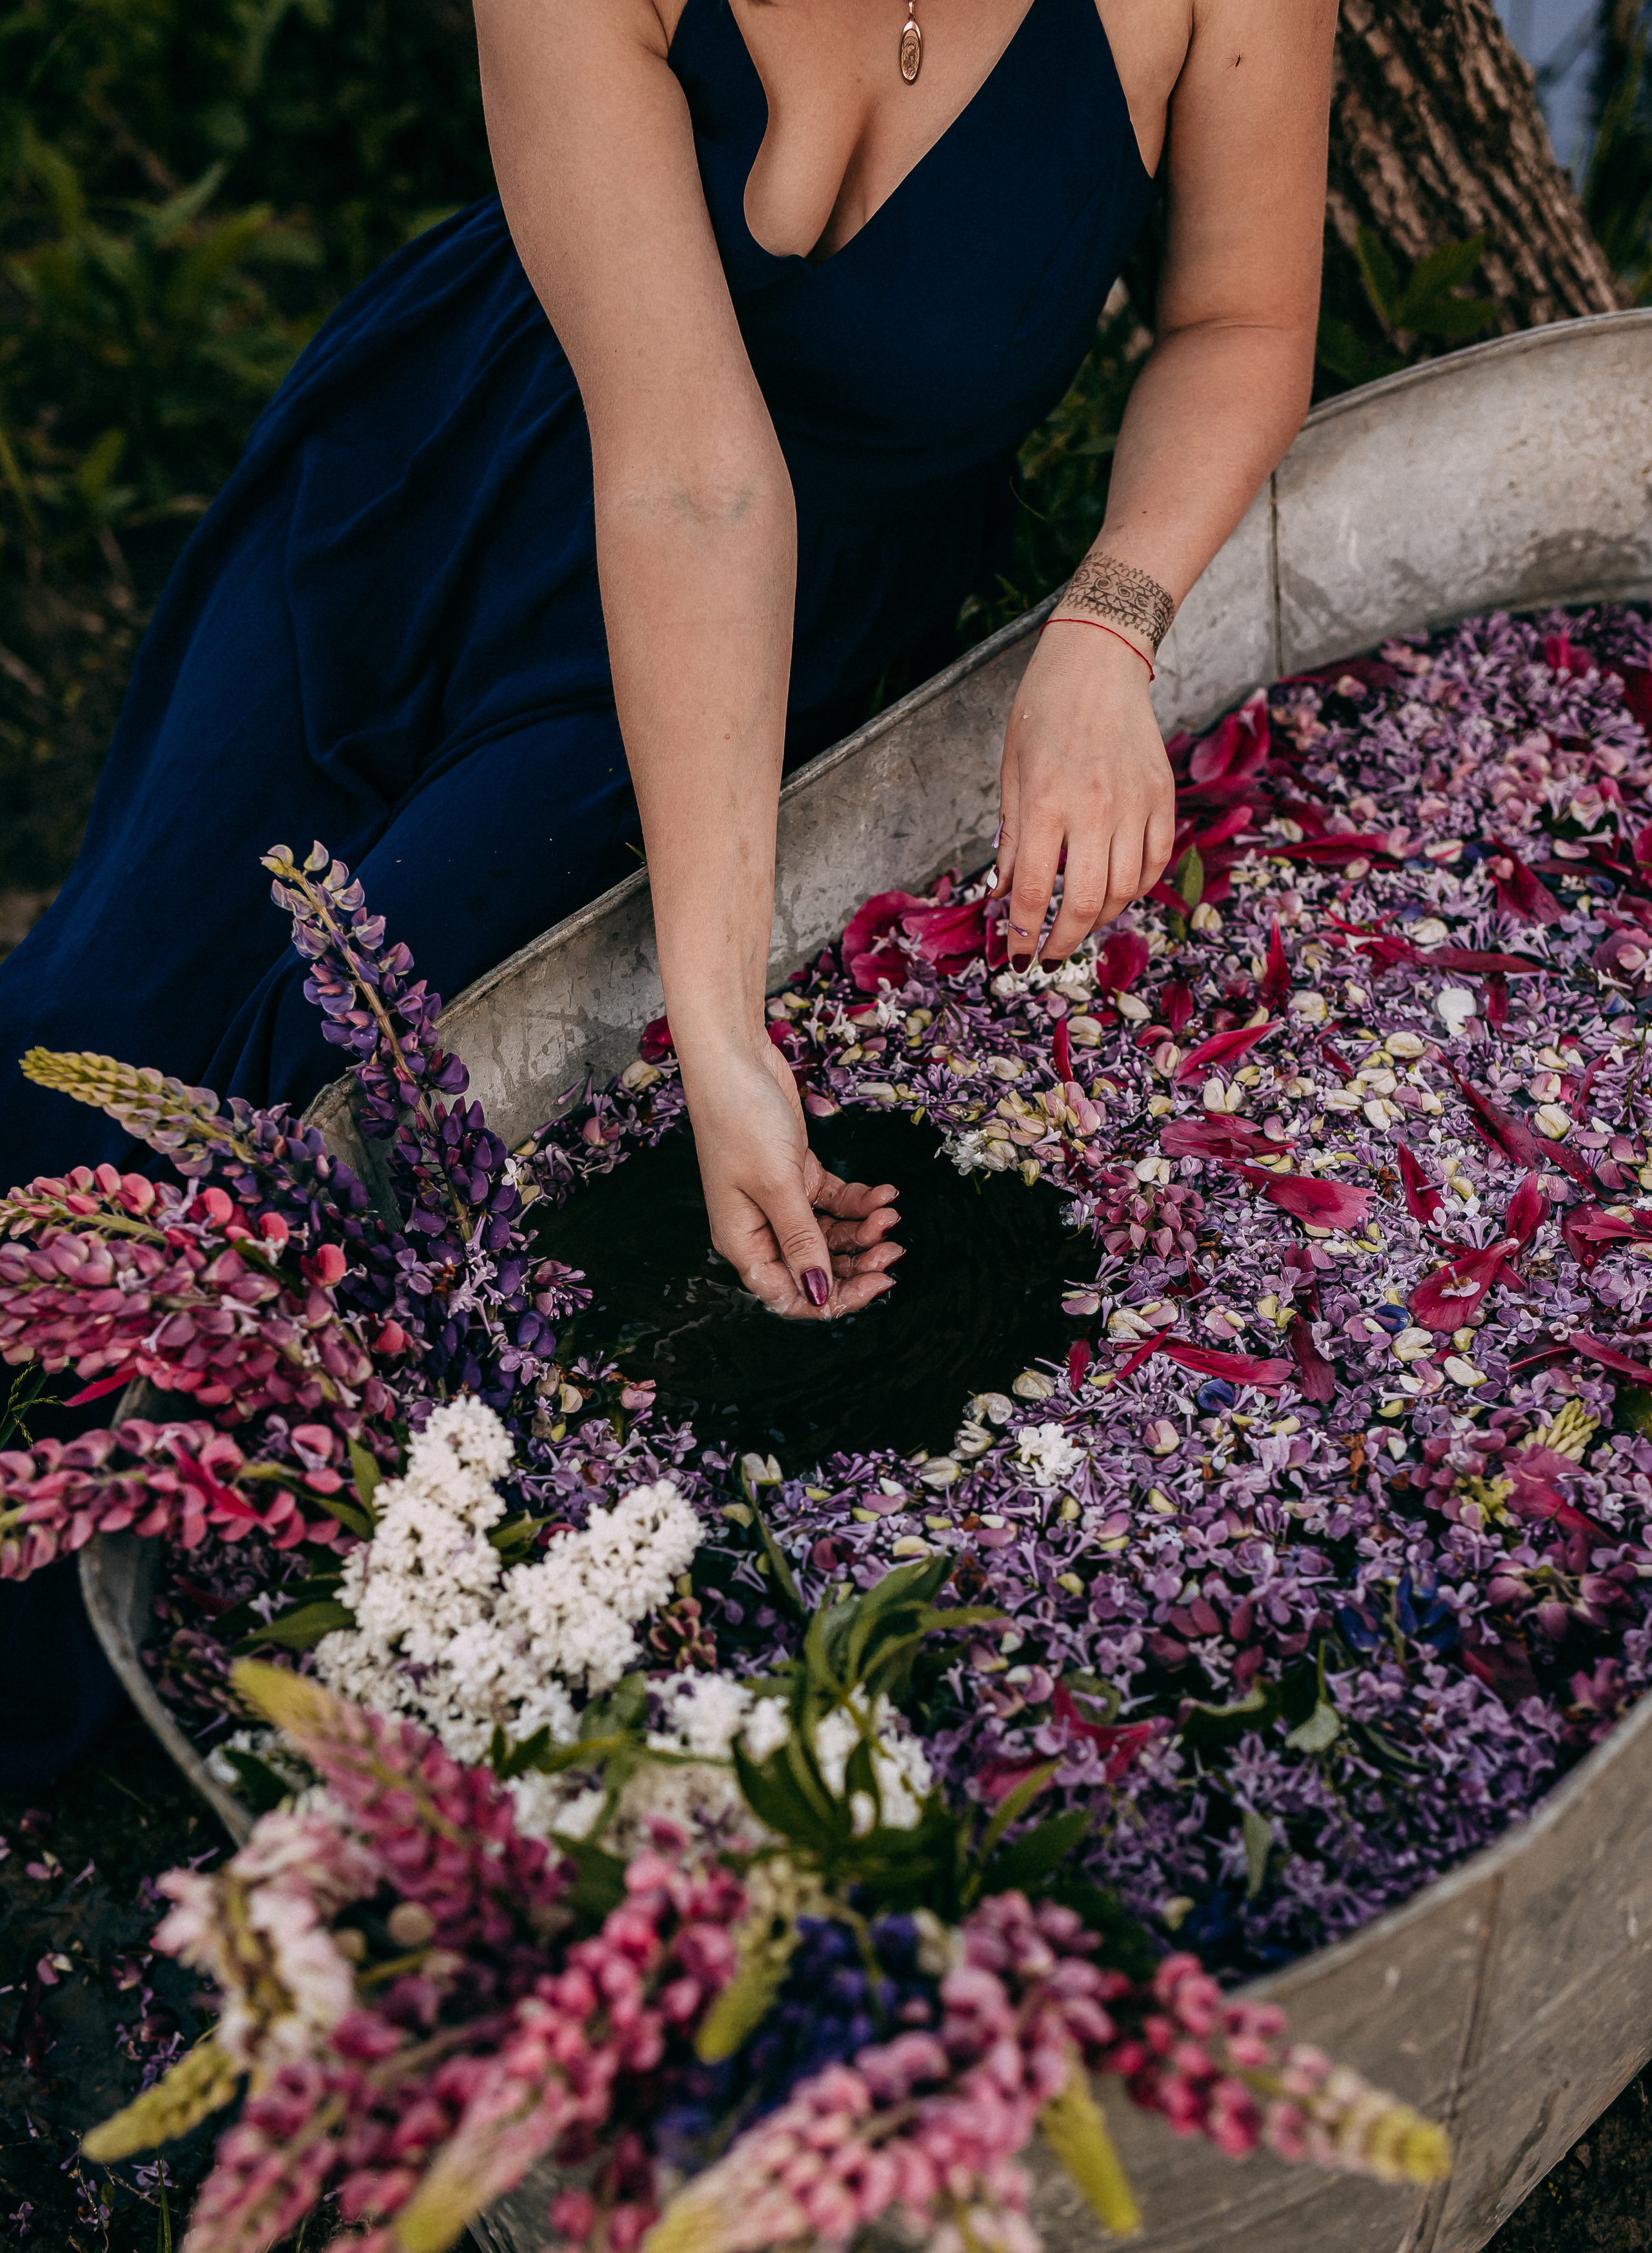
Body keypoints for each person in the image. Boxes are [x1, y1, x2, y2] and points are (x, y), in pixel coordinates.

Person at [0, 0, 1333, 1773]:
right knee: (89, 1036)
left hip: (773, 632)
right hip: (461, 478)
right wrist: (720, 1027)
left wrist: (1112, 618)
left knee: (338, 1084)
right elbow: (690, 471)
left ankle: (138, 1690)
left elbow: (1242, 317)